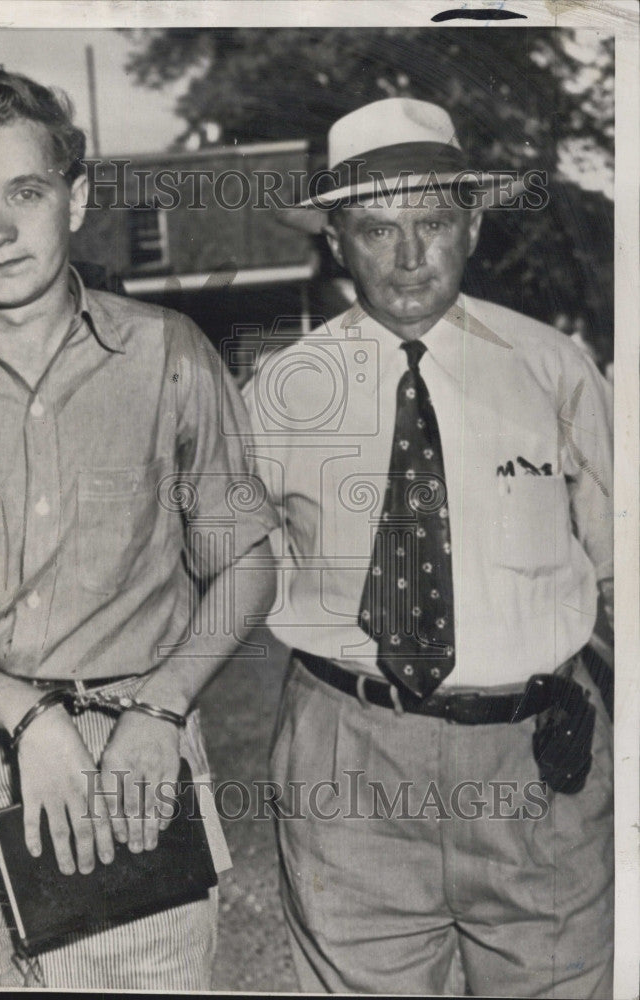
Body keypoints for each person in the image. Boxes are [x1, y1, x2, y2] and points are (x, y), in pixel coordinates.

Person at [0, 65, 276, 989]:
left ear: (74, 197)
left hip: (134, 768)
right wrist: (26, 717)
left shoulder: (170, 357)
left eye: (24, 192)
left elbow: (246, 565)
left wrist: (160, 706)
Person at [245, 98, 613, 997]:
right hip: (350, 761)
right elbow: (218, 575)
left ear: (474, 224)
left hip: (537, 765)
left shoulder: (555, 370)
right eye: (377, 228)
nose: (409, 257)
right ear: (336, 241)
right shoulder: (277, 392)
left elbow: (621, 568)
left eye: (434, 223)